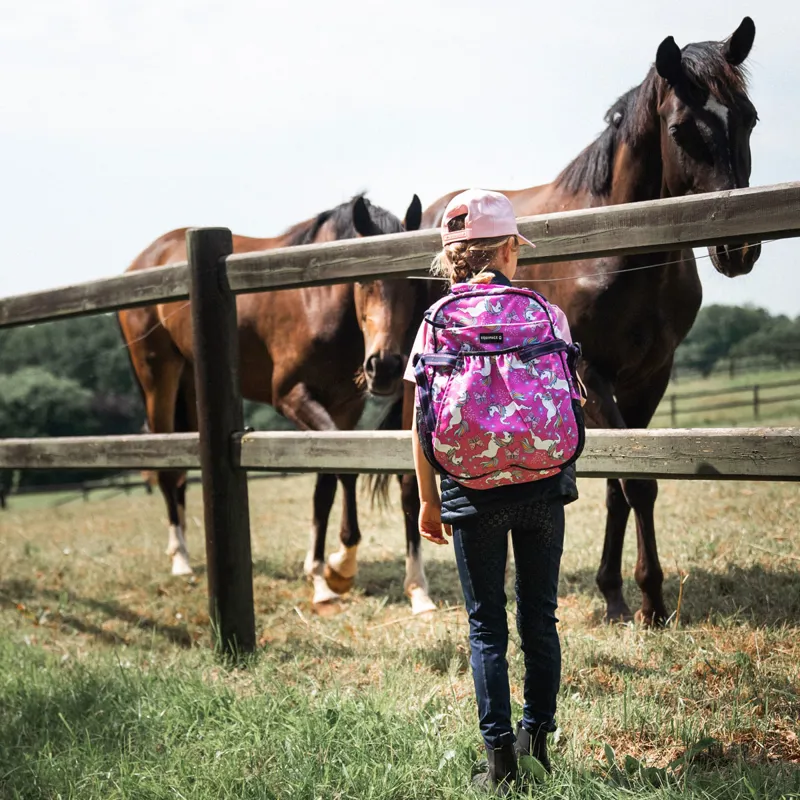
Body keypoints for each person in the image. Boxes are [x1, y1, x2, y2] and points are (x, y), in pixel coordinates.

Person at [404, 189, 581, 794]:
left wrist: (429, 499)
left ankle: (500, 762)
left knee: (486, 627)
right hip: (543, 482)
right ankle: (539, 742)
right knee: (540, 616)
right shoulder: (547, 313)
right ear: (509, 248)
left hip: (470, 489)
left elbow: (419, 425)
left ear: (451, 255)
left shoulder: (434, 324)